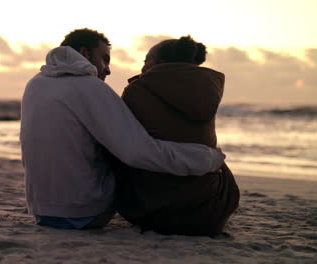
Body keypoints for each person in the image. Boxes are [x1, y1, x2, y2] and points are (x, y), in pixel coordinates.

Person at [20, 29, 226, 230]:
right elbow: (139, 153)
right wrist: (207, 158)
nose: (108, 69)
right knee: (127, 149)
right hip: (85, 213)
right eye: (105, 59)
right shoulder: (91, 87)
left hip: (42, 211)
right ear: (84, 53)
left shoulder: (35, 84)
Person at [116, 35, 240, 236]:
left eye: (146, 61)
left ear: (161, 64)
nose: (143, 67)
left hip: (151, 210)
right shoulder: (207, 88)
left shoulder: (136, 90)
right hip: (209, 213)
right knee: (216, 160)